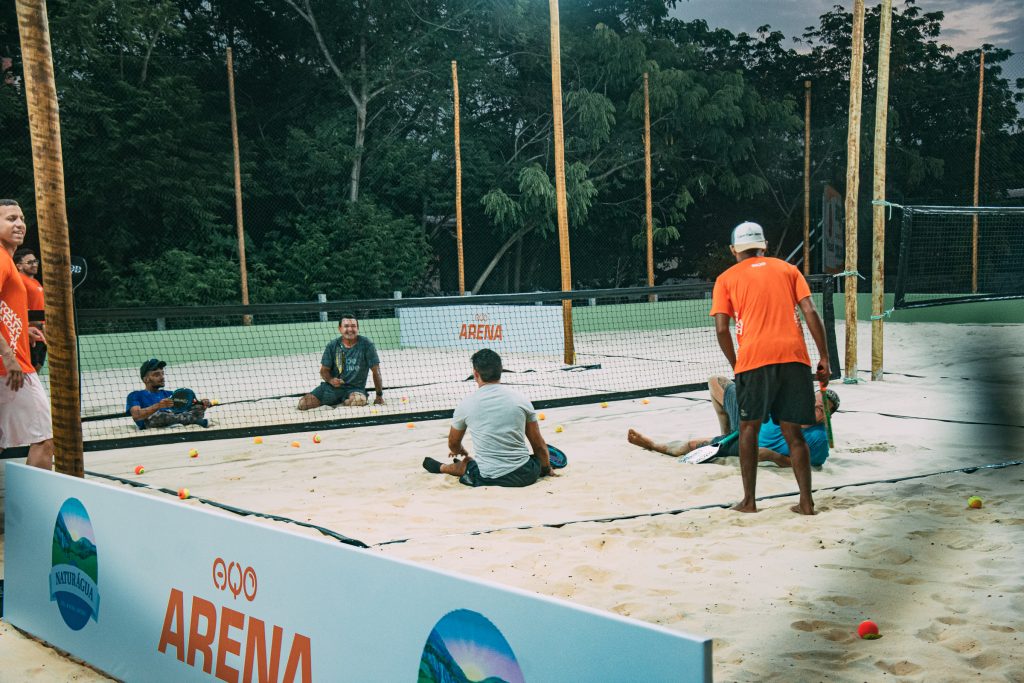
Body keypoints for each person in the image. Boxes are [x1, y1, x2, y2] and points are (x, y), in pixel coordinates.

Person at [710, 221, 831, 515]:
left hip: (754, 360)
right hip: (794, 358)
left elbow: (722, 329)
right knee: (794, 434)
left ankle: (749, 502)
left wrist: (736, 364)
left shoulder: (726, 278)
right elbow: (811, 311)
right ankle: (806, 502)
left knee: (748, 429)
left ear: (733, 250)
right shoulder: (789, 270)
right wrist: (825, 358)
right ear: (764, 245)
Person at [627, 375, 839, 467]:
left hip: (748, 444)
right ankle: (726, 428)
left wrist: (773, 457)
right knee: (716, 381)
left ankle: (653, 445)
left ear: (827, 420)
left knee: (691, 446)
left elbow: (805, 466)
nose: (813, 409)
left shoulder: (817, 441)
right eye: (813, 402)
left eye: (821, 410)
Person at [422, 348, 554, 487]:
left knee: (468, 464)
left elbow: (453, 443)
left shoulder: (465, 404)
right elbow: (538, 445)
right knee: (539, 456)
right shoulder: (521, 399)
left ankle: (442, 467)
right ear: (501, 370)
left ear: (475, 374)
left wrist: (459, 451)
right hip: (525, 475)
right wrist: (546, 469)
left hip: (489, 477)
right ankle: (455, 466)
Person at [0, 200, 53, 469]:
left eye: (21, 218)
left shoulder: (7, 260)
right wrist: (9, 357)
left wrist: (22, 331)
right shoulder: (0, 258)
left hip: (11, 365)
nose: (19, 223)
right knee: (44, 440)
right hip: (13, 369)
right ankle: (34, 509)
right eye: (10, 219)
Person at [298, 314, 384, 410]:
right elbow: (324, 371)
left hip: (355, 389)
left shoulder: (366, 344)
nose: (350, 329)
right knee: (303, 404)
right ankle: (340, 401)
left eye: (353, 326)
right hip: (332, 388)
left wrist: (379, 395)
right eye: (346, 326)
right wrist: (331, 380)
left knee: (359, 401)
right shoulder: (332, 345)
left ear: (358, 328)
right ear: (340, 329)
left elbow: (376, 371)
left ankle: (342, 402)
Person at [126, 358, 210, 429]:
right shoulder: (135, 395)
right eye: (156, 375)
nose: (162, 377)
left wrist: (202, 403)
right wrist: (158, 406)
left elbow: (186, 407)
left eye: (162, 373)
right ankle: (193, 421)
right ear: (146, 379)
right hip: (152, 422)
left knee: (198, 407)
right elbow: (136, 415)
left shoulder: (170, 394)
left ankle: (181, 422)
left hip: (175, 417)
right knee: (161, 416)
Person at [13, 248, 45, 371]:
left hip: (41, 331)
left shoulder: (35, 281)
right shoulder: (19, 281)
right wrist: (27, 326)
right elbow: (19, 306)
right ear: (19, 266)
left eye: (35, 261)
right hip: (31, 332)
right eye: (30, 262)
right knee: (29, 369)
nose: (35, 264)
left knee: (37, 367)